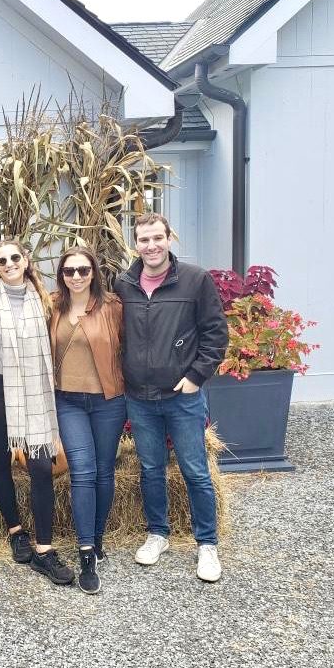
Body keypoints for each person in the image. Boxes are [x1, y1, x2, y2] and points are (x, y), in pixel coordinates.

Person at [114, 213, 228, 583]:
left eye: (157, 238)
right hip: (140, 397)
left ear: (169, 238)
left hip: (182, 396)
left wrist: (196, 376)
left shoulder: (195, 280)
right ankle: (158, 534)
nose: (151, 246)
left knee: (195, 470)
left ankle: (206, 544)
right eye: (144, 240)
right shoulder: (124, 284)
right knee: (150, 469)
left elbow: (215, 334)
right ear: (135, 244)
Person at [0, 240, 74, 586]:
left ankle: (44, 550)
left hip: (34, 393)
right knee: (0, 463)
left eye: (15, 257)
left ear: (26, 260)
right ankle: (16, 530)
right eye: (2, 260)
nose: (9, 263)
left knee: (42, 467)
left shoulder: (46, 300)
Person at [49, 246, 126, 594]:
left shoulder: (112, 307)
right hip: (68, 402)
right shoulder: (52, 306)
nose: (76, 276)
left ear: (93, 272)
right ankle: (85, 553)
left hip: (108, 400)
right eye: (69, 271)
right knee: (83, 470)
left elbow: (134, 345)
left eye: (83, 270)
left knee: (105, 470)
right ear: (61, 276)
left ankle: (97, 540)